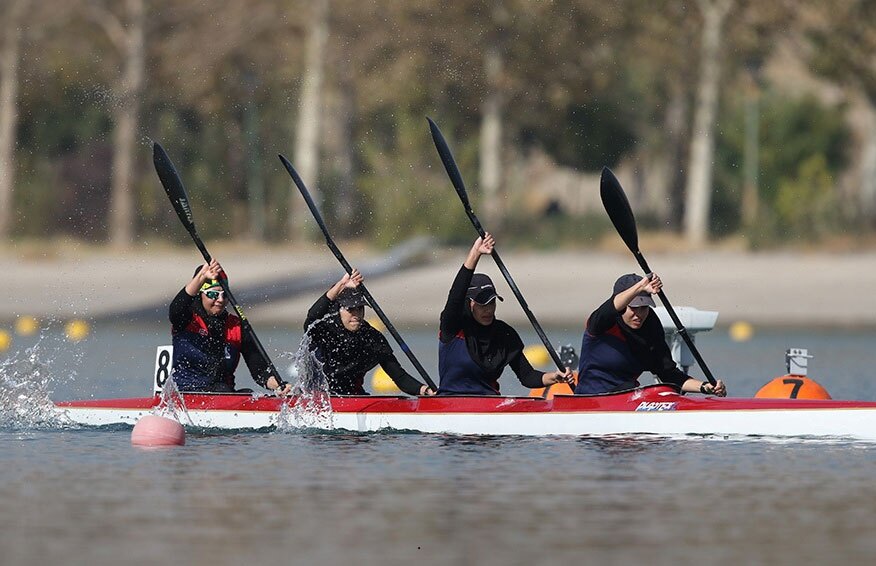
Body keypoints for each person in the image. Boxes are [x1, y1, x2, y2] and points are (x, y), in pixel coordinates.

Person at [438, 233, 573, 395]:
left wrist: (555, 377)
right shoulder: (453, 327)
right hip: (450, 403)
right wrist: (475, 253)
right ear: (469, 304)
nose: (488, 310)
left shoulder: (504, 334)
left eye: (492, 303)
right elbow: (456, 294)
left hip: (490, 405)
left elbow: (527, 377)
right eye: (482, 305)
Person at [574, 272, 727, 396]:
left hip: (628, 398)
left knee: (666, 391)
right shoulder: (600, 323)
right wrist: (641, 285)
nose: (639, 315)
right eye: (634, 308)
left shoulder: (650, 327)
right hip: (590, 400)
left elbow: (669, 374)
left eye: (644, 308)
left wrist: (705, 387)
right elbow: (612, 306)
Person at [305, 268, 435, 396]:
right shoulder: (324, 331)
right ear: (338, 311)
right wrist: (341, 285)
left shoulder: (372, 338)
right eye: (350, 310)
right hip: (316, 400)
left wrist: (426, 390)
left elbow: (399, 376)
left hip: (354, 398)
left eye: (360, 309)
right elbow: (312, 317)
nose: (356, 315)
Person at [169, 259, 290, 394]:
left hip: (223, 395)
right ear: (200, 294)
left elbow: (260, 371)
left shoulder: (237, 326)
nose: (220, 300)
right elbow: (176, 307)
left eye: (224, 295)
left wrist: (279, 386)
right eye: (213, 294)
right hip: (185, 396)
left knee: (247, 393)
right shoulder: (186, 319)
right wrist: (202, 276)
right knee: (222, 390)